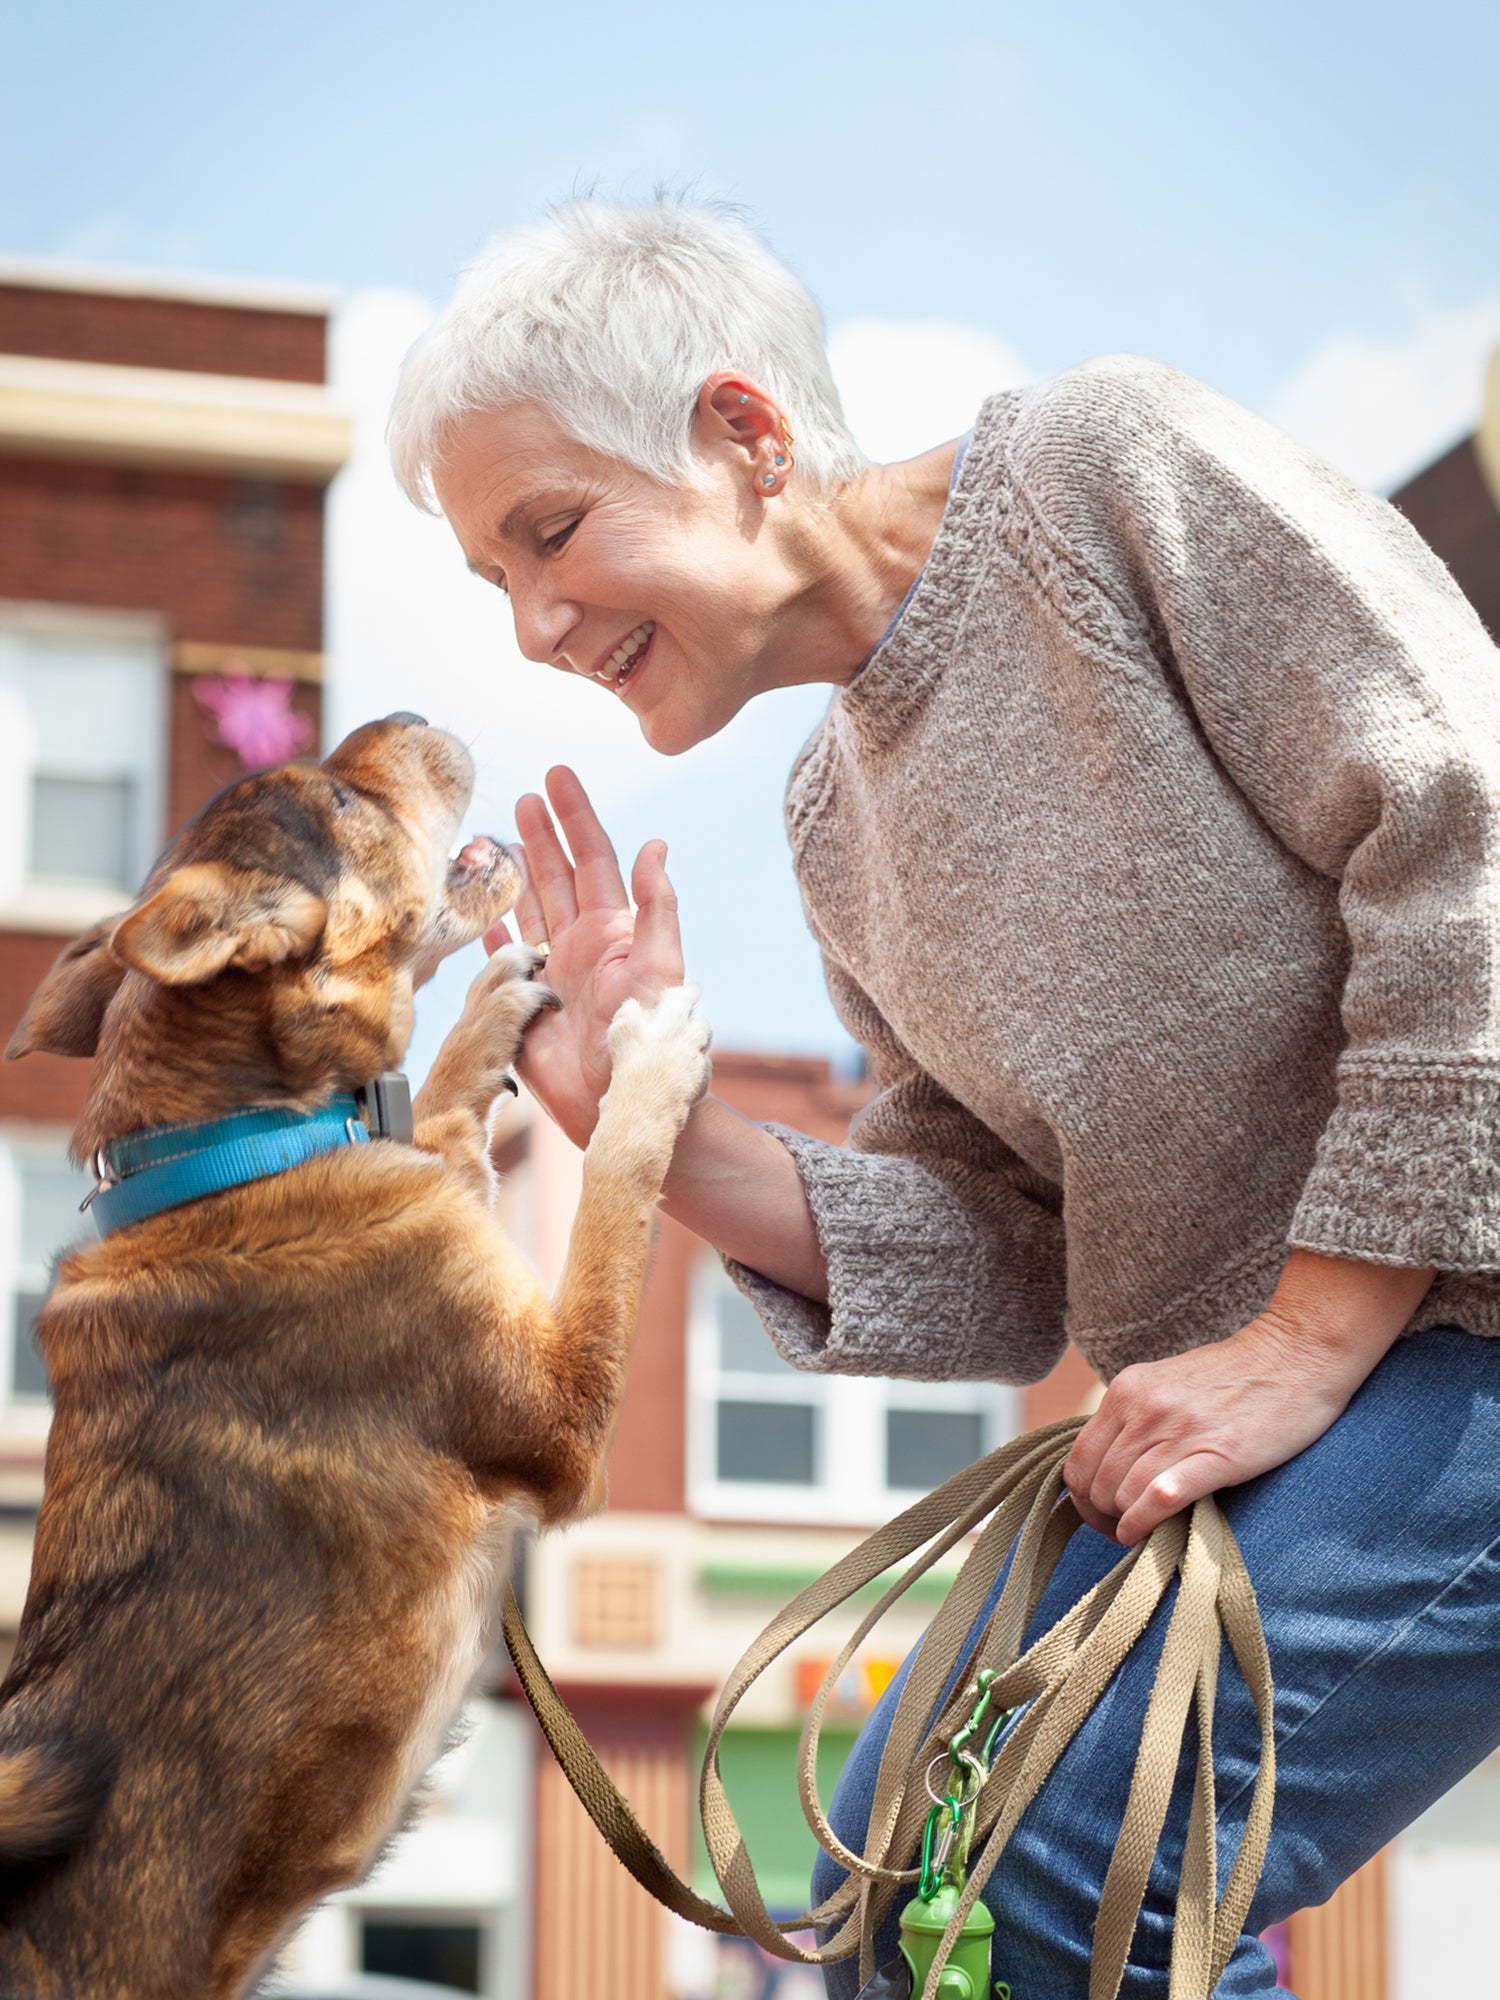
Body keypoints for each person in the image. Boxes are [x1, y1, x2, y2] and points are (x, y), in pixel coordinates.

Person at [389, 197, 1500, 1995]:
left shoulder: (1102, 474)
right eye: (491, 579)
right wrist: (650, 1122)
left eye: (554, 530)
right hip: (1240, 1432)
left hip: (1462, 1335)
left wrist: (1301, 1340)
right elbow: (995, 1252)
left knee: (1070, 1868)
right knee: (901, 1901)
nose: (531, 621)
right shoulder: (835, 823)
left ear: (745, 434)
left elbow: (1474, 828)